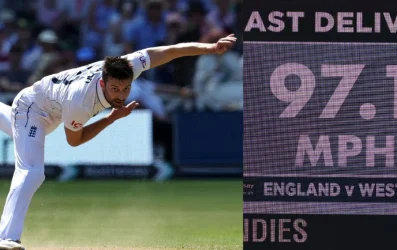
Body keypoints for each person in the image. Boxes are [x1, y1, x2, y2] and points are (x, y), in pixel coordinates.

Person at [0, 34, 237, 250]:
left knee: (15, 129)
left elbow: (168, 51)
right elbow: (74, 140)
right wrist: (111, 119)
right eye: (114, 89)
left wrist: (210, 48)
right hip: (33, 108)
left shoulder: (128, 66)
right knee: (32, 171)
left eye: (125, 89)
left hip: (51, 107)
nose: (120, 95)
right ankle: (7, 238)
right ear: (103, 83)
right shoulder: (81, 101)